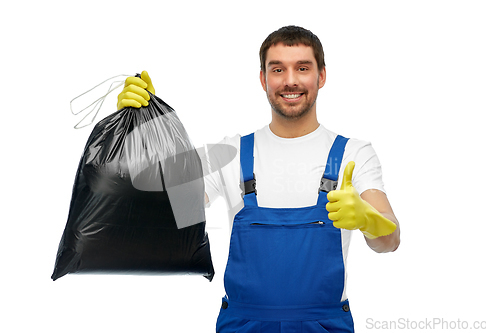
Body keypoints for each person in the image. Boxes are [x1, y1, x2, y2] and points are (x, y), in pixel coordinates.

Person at [117, 25, 400, 333]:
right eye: (278, 69)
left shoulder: (353, 153)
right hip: (243, 325)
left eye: (302, 68)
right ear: (264, 79)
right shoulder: (230, 153)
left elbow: (390, 240)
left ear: (321, 76)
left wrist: (366, 218)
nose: (290, 80)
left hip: (325, 326)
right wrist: (139, 132)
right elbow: (162, 212)